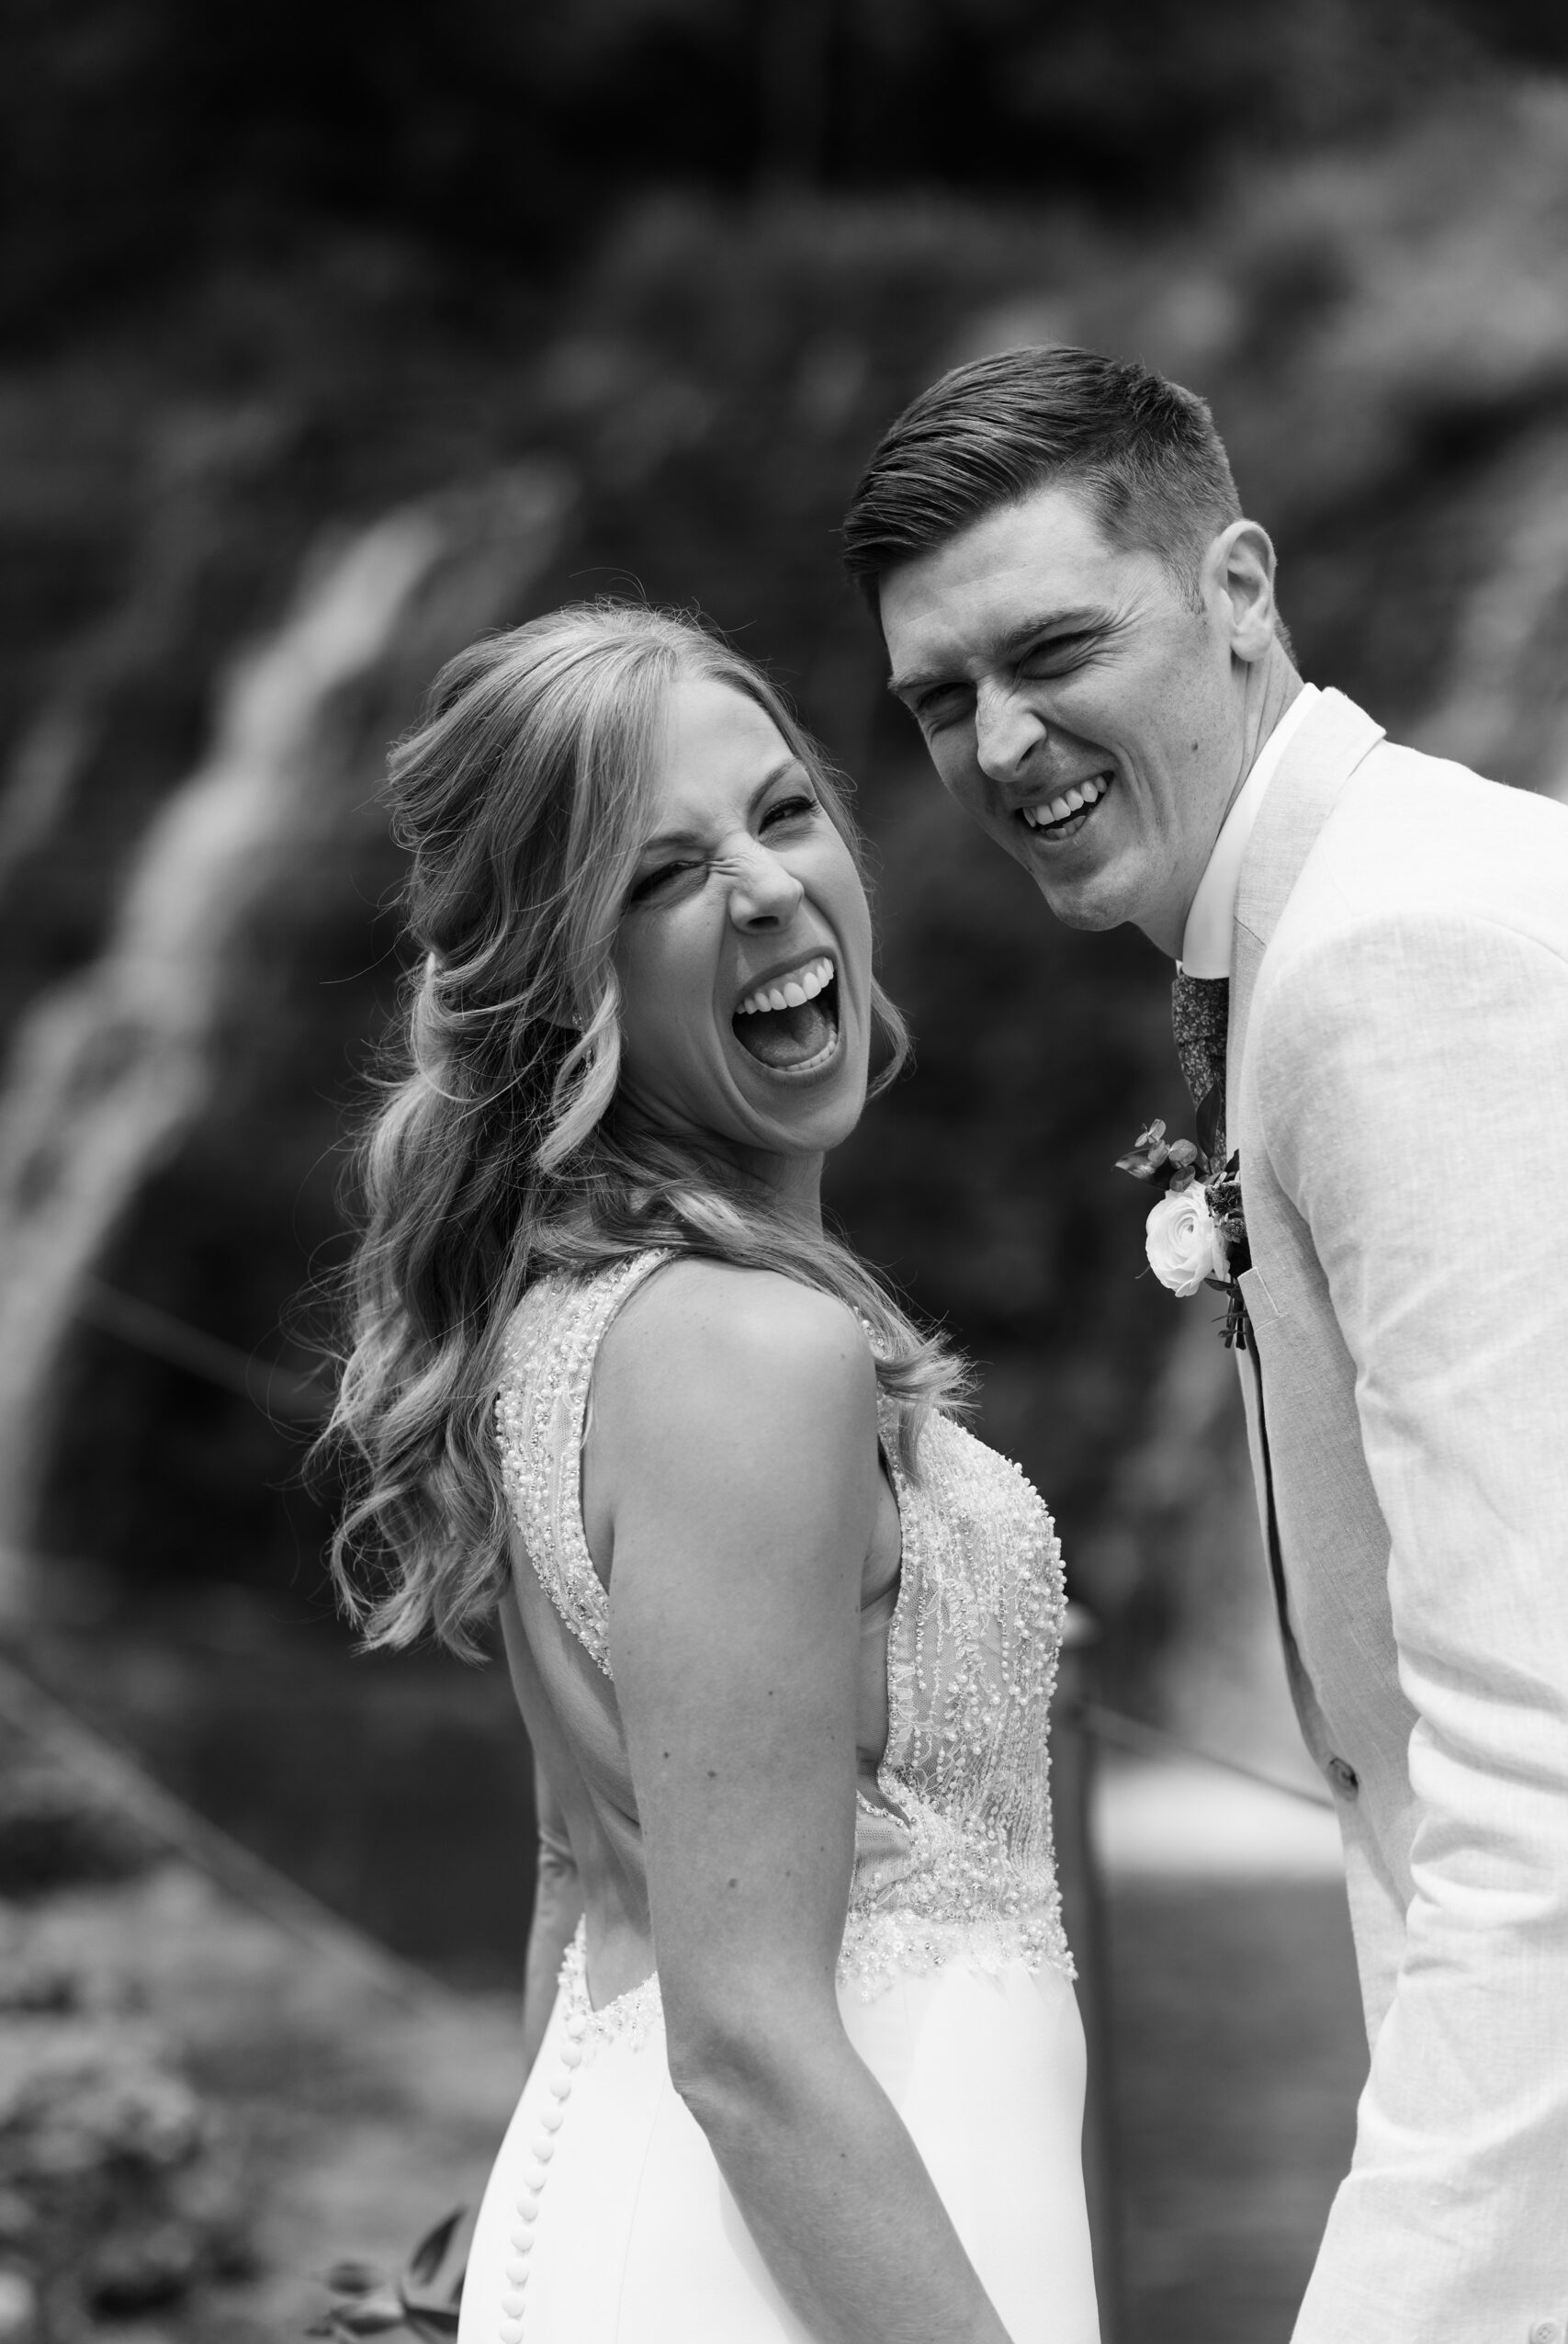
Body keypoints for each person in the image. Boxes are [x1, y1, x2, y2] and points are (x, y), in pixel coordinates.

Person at [842, 344, 1568, 2342]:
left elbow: (1542, 1783)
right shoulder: (1397, 891)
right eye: (936, 698)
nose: (997, 743)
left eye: (1051, 644)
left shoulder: (1391, 963)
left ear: (1236, 586)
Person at [324, 602, 1101, 2344]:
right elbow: (743, 2041)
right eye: (661, 876)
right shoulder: (752, 1357)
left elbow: (571, 1882)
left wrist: (503, 2273)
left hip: (690, 2235)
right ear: (559, 972)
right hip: (796, 2271)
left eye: (784, 812)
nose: (762, 888)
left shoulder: (581, 1323)